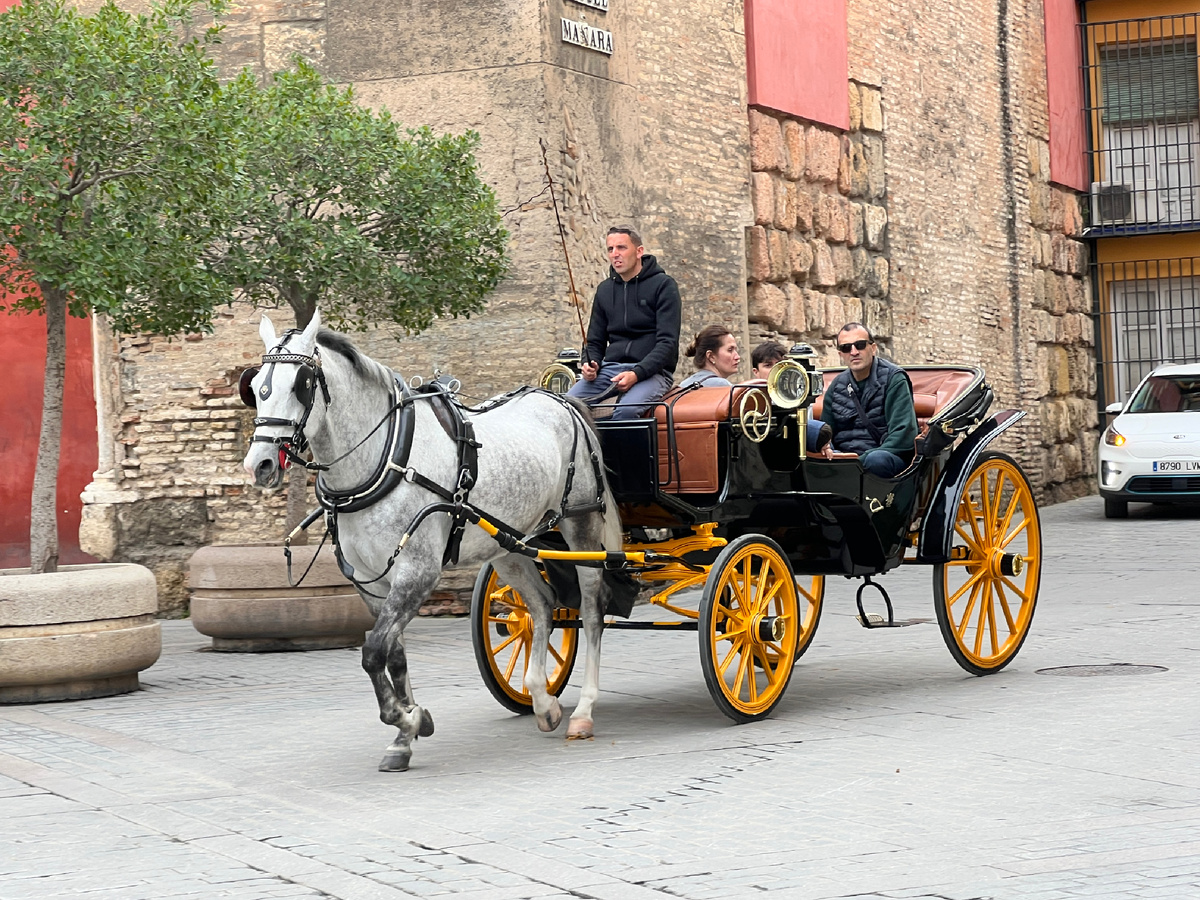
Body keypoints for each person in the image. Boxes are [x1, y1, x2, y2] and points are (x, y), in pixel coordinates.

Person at [568, 226, 681, 419]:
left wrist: (636, 373)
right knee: (567, 406)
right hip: (609, 369)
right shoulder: (604, 290)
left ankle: (634, 451)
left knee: (627, 411)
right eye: (610, 249)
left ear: (639, 251)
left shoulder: (664, 286)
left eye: (621, 247)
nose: (615, 254)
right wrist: (590, 363)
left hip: (653, 372)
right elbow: (594, 341)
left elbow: (667, 344)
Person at [820, 322, 918, 477]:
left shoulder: (894, 379)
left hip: (884, 457)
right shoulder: (836, 386)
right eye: (846, 348)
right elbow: (826, 433)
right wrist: (832, 453)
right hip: (844, 459)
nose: (853, 352)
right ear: (840, 355)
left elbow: (903, 434)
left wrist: (858, 462)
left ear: (873, 348)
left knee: (876, 460)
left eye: (859, 345)